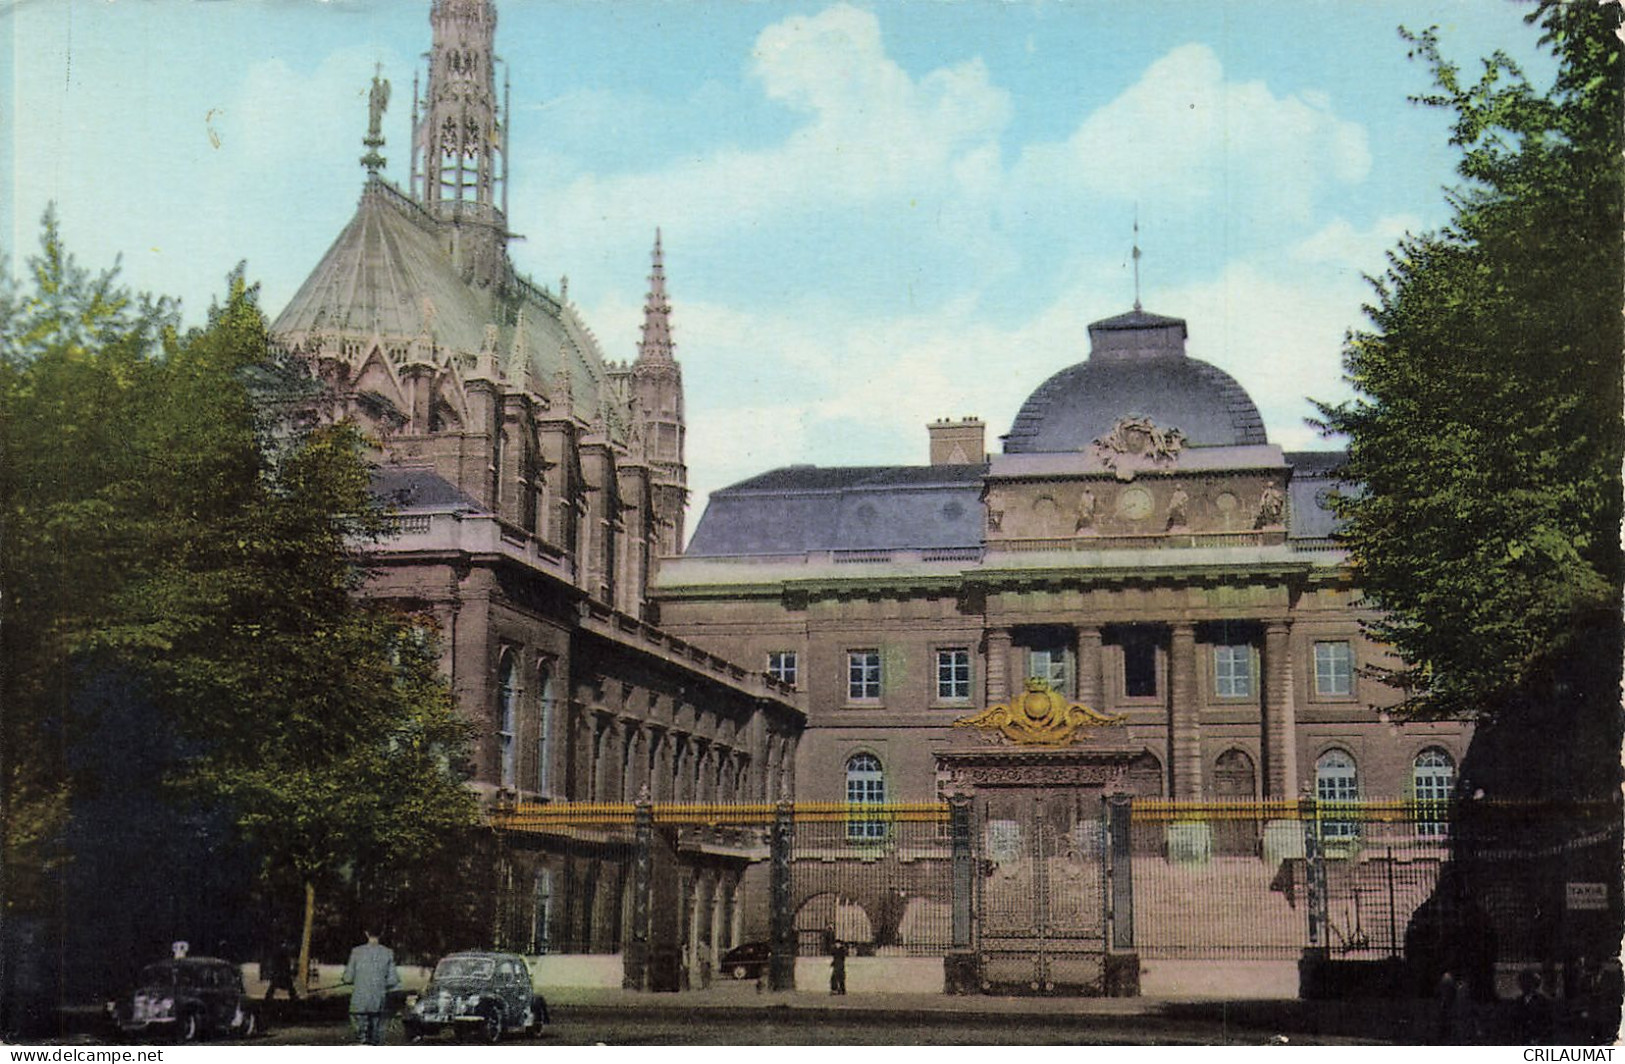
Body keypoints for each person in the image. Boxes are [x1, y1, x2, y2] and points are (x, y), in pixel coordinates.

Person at [342, 928, 401, 1046]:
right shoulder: (388, 953)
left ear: (366, 933)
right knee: (375, 1039)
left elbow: (347, 978)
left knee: (360, 1039)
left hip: (359, 1003)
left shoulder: (356, 952)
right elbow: (393, 980)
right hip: (378, 1003)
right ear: (382, 933)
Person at [1510, 968, 1554, 1044]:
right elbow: (1515, 1022)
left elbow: (1548, 1022)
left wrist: (1539, 1038)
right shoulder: (1518, 1001)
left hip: (1539, 1040)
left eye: (1528, 982)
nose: (1525, 985)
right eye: (1522, 982)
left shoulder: (1543, 1001)